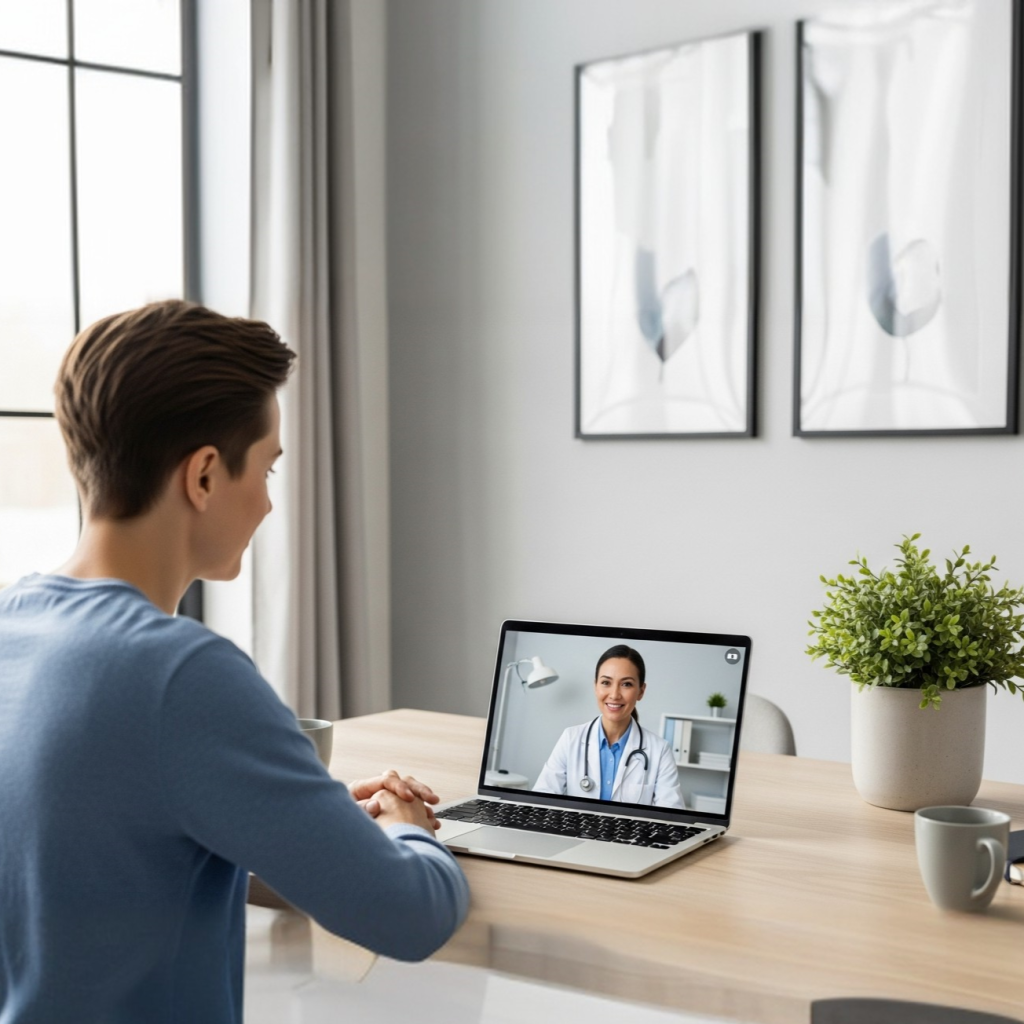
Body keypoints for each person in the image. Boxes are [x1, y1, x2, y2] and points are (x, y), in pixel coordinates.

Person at [0, 301, 469, 1024]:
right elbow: (408, 915)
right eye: (269, 470)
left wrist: (301, 825)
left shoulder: (14, 627)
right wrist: (407, 827)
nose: (270, 506)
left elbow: (96, 858)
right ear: (206, 476)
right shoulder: (181, 675)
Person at [533, 644, 684, 808]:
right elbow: (542, 800)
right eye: (606, 682)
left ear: (641, 691)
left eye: (626, 684)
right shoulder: (571, 738)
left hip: (631, 834)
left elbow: (672, 817)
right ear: (595, 686)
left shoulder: (659, 751)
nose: (614, 695)